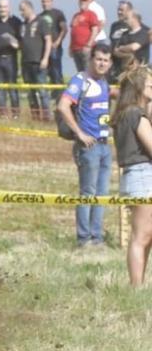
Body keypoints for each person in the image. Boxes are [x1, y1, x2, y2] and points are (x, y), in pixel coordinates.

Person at [56, 44, 113, 248]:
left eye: (106, 60)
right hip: (87, 148)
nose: (102, 63)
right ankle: (83, 239)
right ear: (91, 59)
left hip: (106, 146)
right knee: (87, 193)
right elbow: (63, 106)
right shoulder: (81, 80)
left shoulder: (104, 83)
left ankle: (97, 238)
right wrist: (79, 133)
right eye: (98, 59)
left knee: (101, 195)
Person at [111, 65, 152, 284]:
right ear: (138, 87)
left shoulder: (125, 113)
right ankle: (136, 286)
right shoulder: (136, 114)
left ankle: (139, 284)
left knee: (145, 236)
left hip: (134, 176)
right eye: (149, 83)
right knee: (141, 237)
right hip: (143, 177)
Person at [0, 0, 23, 119]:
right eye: (0, 7)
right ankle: (2, 114)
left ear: (9, 8)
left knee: (12, 87)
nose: (3, 9)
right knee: (0, 88)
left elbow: (21, 41)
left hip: (11, 58)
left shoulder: (16, 22)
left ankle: (16, 114)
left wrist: (15, 44)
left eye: (5, 7)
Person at [19, 0, 54, 121]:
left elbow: (48, 40)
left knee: (42, 91)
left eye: (23, 10)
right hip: (25, 62)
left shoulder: (41, 22)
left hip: (38, 61)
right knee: (30, 91)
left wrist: (45, 58)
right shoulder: (23, 25)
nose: (21, 12)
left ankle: (46, 116)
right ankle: (35, 116)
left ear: (29, 8)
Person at [69, 0, 102, 73]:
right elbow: (72, 32)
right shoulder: (76, 16)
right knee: (80, 72)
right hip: (76, 49)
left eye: (85, 0)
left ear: (89, 2)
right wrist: (70, 47)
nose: (82, 2)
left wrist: (88, 45)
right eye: (81, 0)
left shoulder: (91, 14)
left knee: (88, 71)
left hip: (86, 48)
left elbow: (95, 30)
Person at [41, 0, 69, 85]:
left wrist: (58, 42)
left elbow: (64, 29)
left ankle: (59, 93)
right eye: (43, 1)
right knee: (47, 72)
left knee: (56, 71)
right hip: (44, 49)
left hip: (55, 48)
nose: (45, 3)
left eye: (47, 1)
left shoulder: (58, 13)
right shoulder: (40, 16)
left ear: (51, 2)